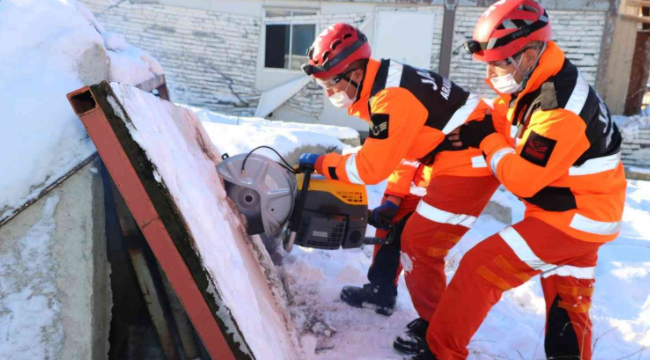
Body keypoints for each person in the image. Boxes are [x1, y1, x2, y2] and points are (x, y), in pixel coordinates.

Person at [410, 1, 626, 359]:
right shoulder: (544, 79)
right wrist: (478, 129)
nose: (492, 73)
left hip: (572, 219)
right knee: (567, 311)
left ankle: (441, 353)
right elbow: (517, 120)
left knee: (479, 268)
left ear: (529, 53)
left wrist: (485, 140)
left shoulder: (560, 110)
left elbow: (523, 180)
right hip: (584, 210)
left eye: (499, 62)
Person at [298, 22, 501, 355]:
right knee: (395, 222)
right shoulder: (381, 85)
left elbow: (370, 167)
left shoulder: (390, 98)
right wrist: (394, 199)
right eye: (323, 83)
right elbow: (405, 150)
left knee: (419, 245)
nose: (329, 91)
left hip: (470, 160)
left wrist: (323, 164)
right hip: (440, 156)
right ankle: (381, 291)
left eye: (332, 82)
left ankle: (440, 333)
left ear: (357, 72)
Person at [339, 160, 431, 317]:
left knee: (394, 243)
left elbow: (410, 158)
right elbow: (409, 160)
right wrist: (394, 196)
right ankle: (382, 289)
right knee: (392, 239)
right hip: (417, 191)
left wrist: (395, 198)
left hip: (421, 195)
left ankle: (381, 293)